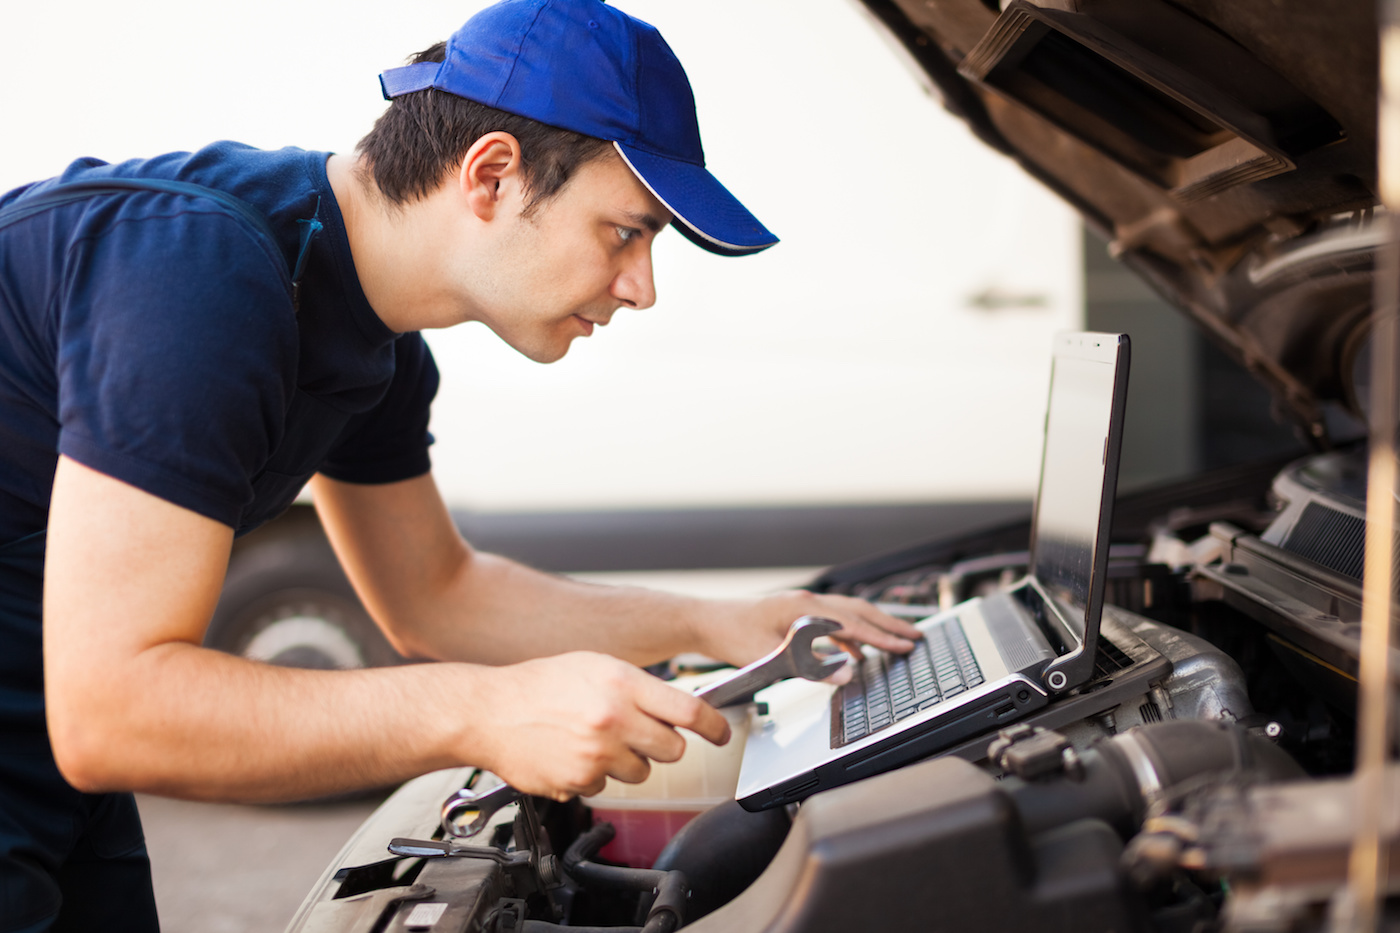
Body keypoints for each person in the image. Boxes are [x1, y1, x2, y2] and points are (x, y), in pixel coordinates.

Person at [0, 1, 920, 929]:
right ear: (491, 175)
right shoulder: (201, 281)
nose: (642, 287)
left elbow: (437, 595)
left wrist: (722, 621)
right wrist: (483, 711)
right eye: (625, 232)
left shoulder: (380, 350)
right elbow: (115, 709)